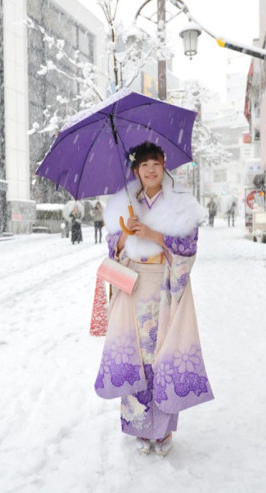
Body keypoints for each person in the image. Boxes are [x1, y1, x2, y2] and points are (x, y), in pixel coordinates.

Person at [96, 141, 214, 457]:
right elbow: (112, 247)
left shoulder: (180, 204)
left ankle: (161, 430)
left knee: (162, 355)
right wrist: (125, 232)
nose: (151, 169)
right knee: (135, 357)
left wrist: (154, 235)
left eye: (156, 163)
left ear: (163, 166)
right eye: (144, 165)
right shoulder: (124, 203)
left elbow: (188, 246)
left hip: (164, 287)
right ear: (136, 170)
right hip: (133, 287)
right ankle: (138, 426)